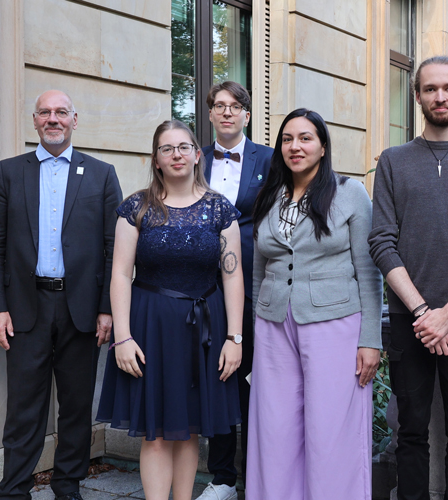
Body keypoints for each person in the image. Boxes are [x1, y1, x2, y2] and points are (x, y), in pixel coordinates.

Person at [368, 55, 448, 500]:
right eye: (430, 89)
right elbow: (382, 242)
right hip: (410, 319)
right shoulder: (392, 160)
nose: (439, 96)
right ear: (417, 95)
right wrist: (425, 312)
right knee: (410, 432)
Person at [0, 90, 122, 500]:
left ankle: (67, 484)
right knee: (25, 405)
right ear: (35, 120)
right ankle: (15, 488)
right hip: (25, 306)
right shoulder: (9, 172)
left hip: (81, 308)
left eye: (61, 112)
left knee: (76, 405)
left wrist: (106, 308)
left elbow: (114, 247)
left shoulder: (101, 173)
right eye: (45, 112)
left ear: (75, 120)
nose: (53, 119)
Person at [96, 120, 245, 500]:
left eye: (183, 147)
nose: (176, 154)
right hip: (150, 328)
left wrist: (235, 338)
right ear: (156, 159)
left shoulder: (220, 209)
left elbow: (233, 276)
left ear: (198, 155)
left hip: (205, 330)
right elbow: (119, 274)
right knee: (157, 431)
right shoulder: (136, 206)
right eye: (167, 148)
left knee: (190, 428)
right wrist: (123, 337)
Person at [247, 108, 382, 500]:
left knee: (330, 430)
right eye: (287, 139)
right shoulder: (269, 196)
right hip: (274, 328)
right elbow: (260, 270)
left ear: (323, 147)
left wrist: (369, 339)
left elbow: (368, 272)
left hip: (334, 325)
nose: (295, 146)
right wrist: (258, 328)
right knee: (274, 429)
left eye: (305, 138)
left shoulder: (350, 193)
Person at [197, 81, 273, 500]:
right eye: (219, 106)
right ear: (209, 114)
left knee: (255, 378)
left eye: (235, 106)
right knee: (216, 378)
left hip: (257, 286)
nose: (227, 112)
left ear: (247, 114)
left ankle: (259, 474)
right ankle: (223, 476)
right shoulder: (194, 159)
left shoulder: (271, 159)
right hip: (202, 289)